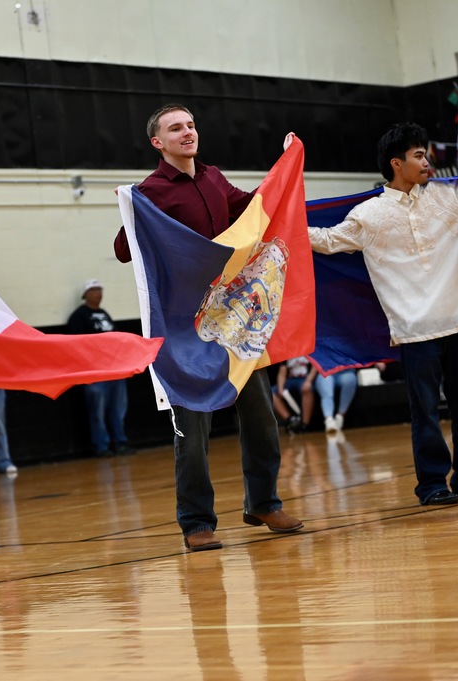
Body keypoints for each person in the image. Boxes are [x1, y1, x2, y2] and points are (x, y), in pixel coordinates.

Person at [307, 123, 458, 505]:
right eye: (418, 155)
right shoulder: (368, 214)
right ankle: (432, 484)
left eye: (426, 153)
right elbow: (330, 240)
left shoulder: (448, 196)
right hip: (415, 331)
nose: (427, 161)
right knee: (426, 413)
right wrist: (285, 228)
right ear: (396, 163)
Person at [113, 104, 303, 551]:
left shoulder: (215, 178)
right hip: (184, 331)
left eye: (191, 124)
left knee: (260, 417)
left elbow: (259, 211)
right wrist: (130, 210)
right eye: (175, 128)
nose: (187, 132)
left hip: (234, 324)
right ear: (157, 142)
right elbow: (125, 251)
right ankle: (197, 522)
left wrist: (286, 169)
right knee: (191, 429)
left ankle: (263, 501)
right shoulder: (151, 191)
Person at [67, 279, 134, 456]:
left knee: (118, 409)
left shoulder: (104, 313)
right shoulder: (79, 316)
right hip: (95, 374)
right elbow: (76, 345)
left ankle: (120, 442)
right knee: (97, 412)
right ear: (86, 294)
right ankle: (101, 446)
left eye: (100, 290)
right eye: (94, 290)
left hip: (115, 371)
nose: (98, 293)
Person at [272, 356, 317, 433]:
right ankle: (290, 420)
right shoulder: (288, 352)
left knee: (307, 388)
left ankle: (305, 424)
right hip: (290, 380)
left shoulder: (310, 350)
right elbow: (282, 373)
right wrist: (280, 388)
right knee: (271, 392)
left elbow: (315, 367)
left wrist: (308, 381)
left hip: (304, 379)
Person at [315, 368, 358, 434]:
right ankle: (329, 420)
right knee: (327, 387)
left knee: (351, 379)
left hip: (345, 372)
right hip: (325, 373)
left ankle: (340, 416)